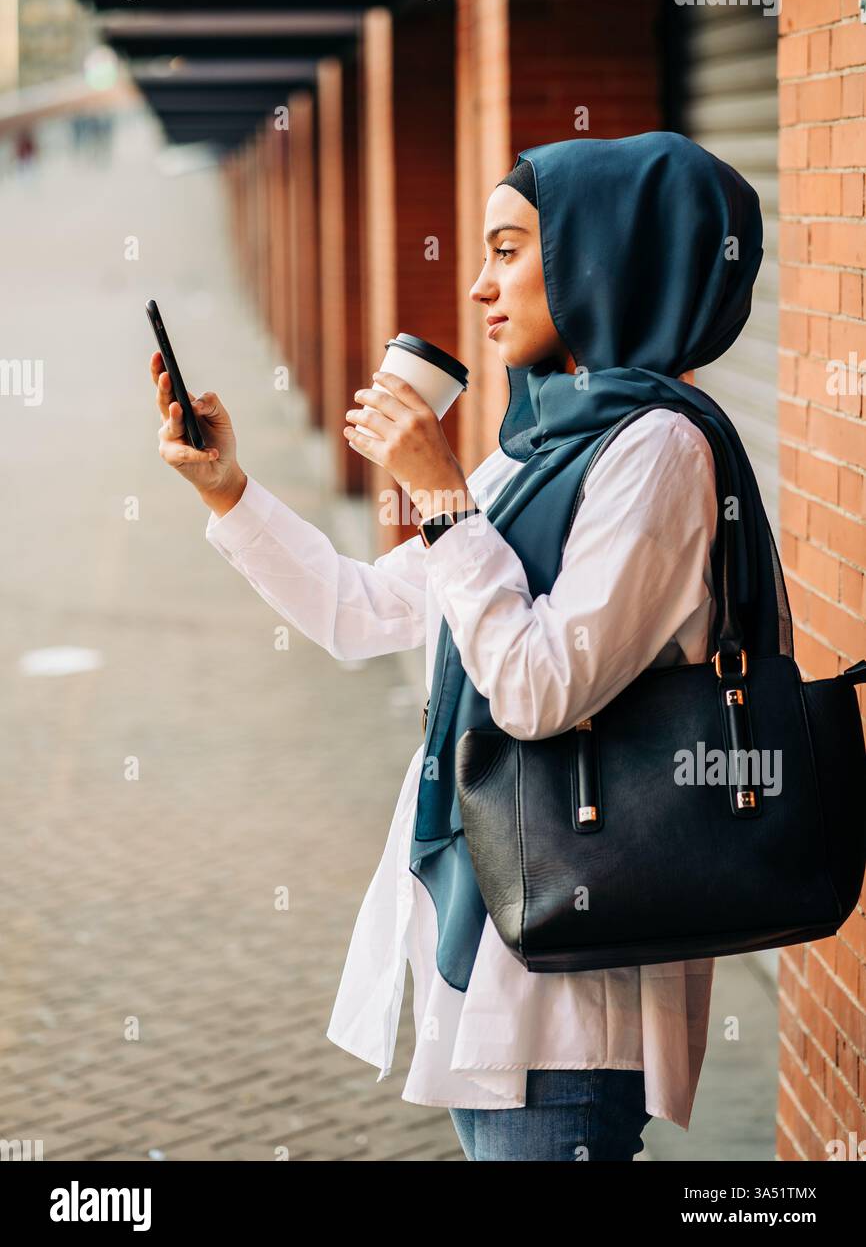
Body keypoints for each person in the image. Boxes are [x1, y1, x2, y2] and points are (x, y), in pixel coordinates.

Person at [151, 131, 775, 1161]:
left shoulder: (660, 449)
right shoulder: (540, 447)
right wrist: (229, 489)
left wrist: (440, 492)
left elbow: (538, 688)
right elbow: (364, 610)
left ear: (596, 254)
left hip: (568, 991)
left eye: (506, 250)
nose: (479, 287)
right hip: (494, 951)